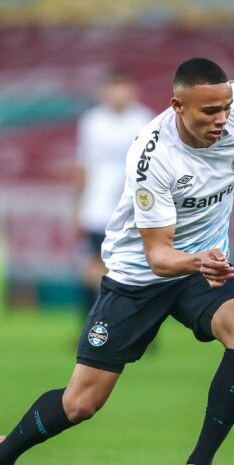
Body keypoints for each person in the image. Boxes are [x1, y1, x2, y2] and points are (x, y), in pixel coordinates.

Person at [0, 58, 234, 465]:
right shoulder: (152, 156)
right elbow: (159, 256)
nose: (220, 120)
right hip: (139, 273)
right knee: (81, 403)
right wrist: (198, 259)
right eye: (208, 113)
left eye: (224, 108)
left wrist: (205, 259)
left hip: (202, 266)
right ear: (177, 106)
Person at [73, 68, 153, 318]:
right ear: (103, 91)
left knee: (136, 267)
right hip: (97, 207)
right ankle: (92, 325)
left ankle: (139, 328)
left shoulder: (144, 120)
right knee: (94, 267)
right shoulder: (92, 122)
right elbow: (83, 165)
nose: (118, 94)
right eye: (113, 88)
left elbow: (153, 165)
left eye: (123, 87)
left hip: (135, 206)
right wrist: (76, 206)